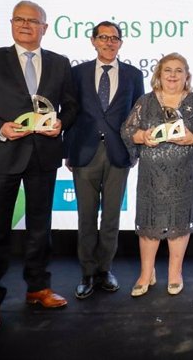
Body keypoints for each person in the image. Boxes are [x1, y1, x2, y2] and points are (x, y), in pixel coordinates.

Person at [0, 0, 78, 334]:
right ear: (11, 23)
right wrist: (0, 127)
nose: (25, 25)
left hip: (44, 155)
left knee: (41, 228)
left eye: (33, 21)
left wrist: (61, 124)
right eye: (19, 19)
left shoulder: (59, 63)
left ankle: (38, 288)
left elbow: (69, 106)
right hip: (3, 154)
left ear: (45, 27)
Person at [122, 53, 193, 297]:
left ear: (186, 76)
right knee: (149, 226)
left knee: (179, 225)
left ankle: (175, 274)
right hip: (152, 177)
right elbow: (128, 129)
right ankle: (146, 274)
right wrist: (142, 136)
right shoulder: (146, 101)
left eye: (178, 70)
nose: (173, 75)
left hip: (185, 176)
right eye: (167, 71)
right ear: (159, 76)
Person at [64, 21, 144, 299]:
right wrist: (68, 151)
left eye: (114, 38)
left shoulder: (134, 75)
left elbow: (138, 117)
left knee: (110, 218)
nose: (109, 42)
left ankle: (104, 270)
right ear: (93, 41)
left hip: (118, 154)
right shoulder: (76, 73)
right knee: (86, 217)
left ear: (121, 43)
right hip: (84, 153)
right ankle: (87, 272)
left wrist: (134, 151)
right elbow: (69, 114)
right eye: (103, 37)